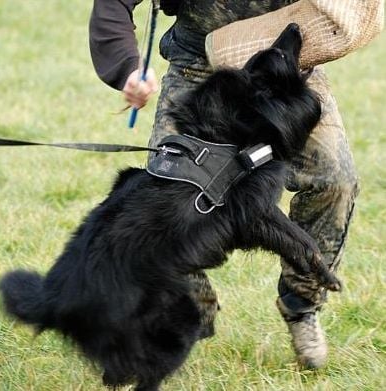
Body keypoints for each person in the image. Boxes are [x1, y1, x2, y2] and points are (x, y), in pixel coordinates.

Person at [89, 0, 359, 370]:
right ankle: (192, 304)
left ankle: (301, 305)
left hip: (283, 69)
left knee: (336, 181)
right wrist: (127, 68)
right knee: (164, 198)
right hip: (200, 67)